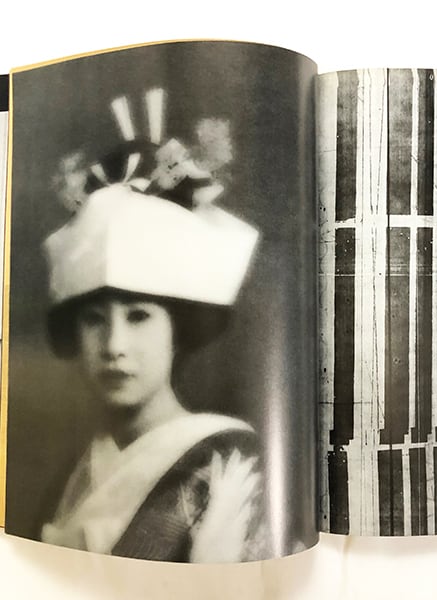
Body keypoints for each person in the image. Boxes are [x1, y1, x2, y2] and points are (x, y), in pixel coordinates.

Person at [37, 89, 267, 562]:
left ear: (178, 330)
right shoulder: (80, 470)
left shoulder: (227, 462)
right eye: (94, 320)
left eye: (139, 316)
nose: (114, 346)